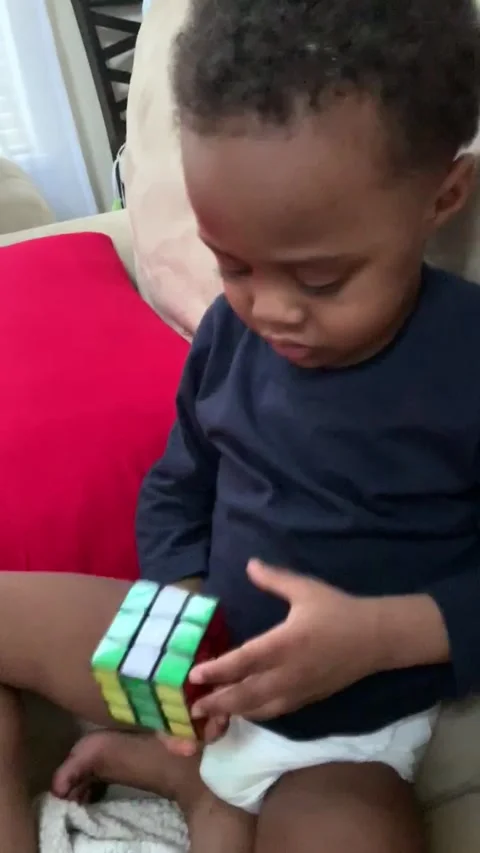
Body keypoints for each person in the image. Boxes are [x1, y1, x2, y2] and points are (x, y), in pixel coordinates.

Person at [1, 1, 480, 851]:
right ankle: (181, 778)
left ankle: (202, 789)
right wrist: (179, 596)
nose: (271, 309)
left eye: (321, 279)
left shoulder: (465, 361)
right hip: (200, 653)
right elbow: (179, 484)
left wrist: (383, 636)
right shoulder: (230, 332)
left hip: (343, 734)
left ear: (442, 196)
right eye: (233, 264)